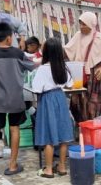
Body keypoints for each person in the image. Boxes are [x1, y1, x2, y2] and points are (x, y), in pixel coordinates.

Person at [0, 22, 36, 174]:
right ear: (9, 39)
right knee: (14, 128)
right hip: (16, 98)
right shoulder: (18, 54)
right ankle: (12, 165)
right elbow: (32, 66)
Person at [32, 38, 74, 178]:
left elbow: (36, 88)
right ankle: (62, 167)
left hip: (47, 101)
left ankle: (48, 169)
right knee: (63, 136)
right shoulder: (63, 67)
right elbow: (70, 84)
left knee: (48, 136)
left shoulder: (43, 69)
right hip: (61, 99)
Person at [64, 12, 101, 121]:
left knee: (97, 112)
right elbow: (67, 51)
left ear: (91, 24)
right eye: (81, 24)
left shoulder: (100, 39)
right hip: (81, 80)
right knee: (79, 109)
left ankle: (97, 135)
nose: (82, 27)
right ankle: (82, 134)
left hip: (98, 83)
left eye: (84, 24)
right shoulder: (78, 36)